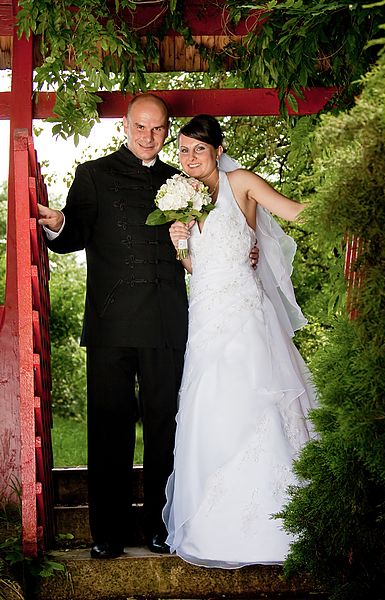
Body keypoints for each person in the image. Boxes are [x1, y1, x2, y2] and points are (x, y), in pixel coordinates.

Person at [37, 95, 261, 559]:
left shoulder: (183, 181)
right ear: (125, 126)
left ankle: (160, 526)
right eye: (140, 127)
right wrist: (59, 221)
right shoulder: (93, 174)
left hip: (167, 323)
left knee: (165, 427)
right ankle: (107, 532)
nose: (148, 137)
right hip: (111, 324)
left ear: (166, 131)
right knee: (108, 428)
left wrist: (247, 248)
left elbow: (212, 239)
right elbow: (73, 234)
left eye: (158, 130)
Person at [164, 114, 319, 568]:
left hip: (246, 317)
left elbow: (294, 212)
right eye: (184, 149)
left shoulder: (241, 182)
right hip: (206, 319)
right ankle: (218, 526)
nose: (190, 157)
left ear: (217, 148)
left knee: (257, 404)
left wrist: (347, 209)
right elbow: (200, 268)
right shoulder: (182, 199)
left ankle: (280, 523)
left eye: (199, 148)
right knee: (211, 407)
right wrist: (180, 246)